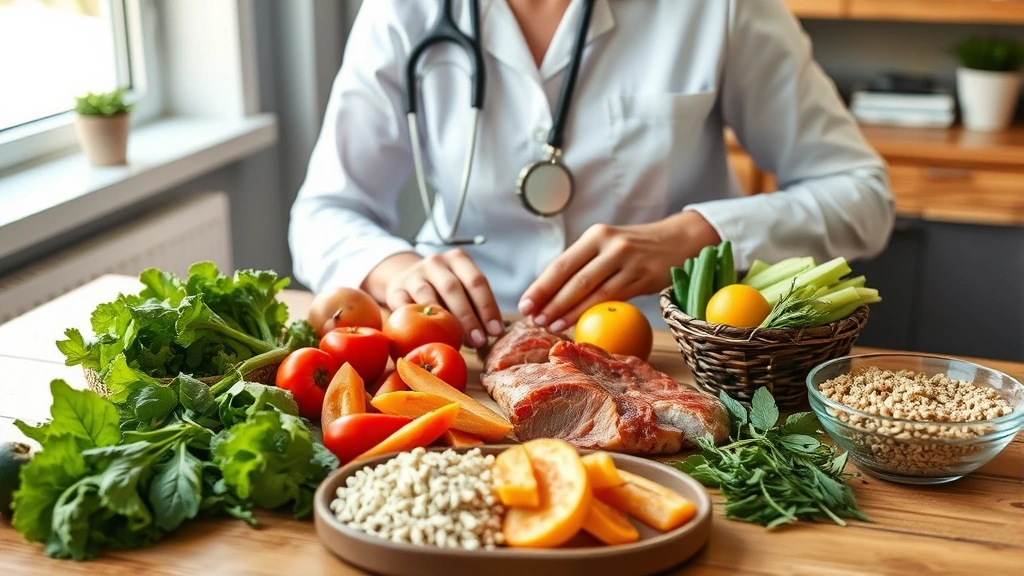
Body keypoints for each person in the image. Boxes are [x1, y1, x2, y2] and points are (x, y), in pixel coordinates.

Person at [289, 0, 894, 348]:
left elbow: (862, 195)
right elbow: (323, 213)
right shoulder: (403, 10)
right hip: (455, 353)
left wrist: (694, 236)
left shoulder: (719, 8)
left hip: (668, 352)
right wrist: (395, 272)